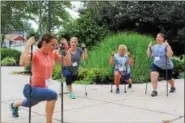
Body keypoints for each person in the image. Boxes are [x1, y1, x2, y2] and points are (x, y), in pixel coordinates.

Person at [10, 33, 71, 123]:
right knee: (52, 95)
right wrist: (28, 45)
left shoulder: (52, 54)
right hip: (31, 89)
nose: (54, 47)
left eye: (55, 45)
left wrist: (67, 48)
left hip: (43, 89)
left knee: (27, 104)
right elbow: (23, 63)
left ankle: (14, 105)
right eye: (52, 45)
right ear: (44, 43)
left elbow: (67, 62)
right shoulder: (35, 53)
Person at [147, 33, 176, 97]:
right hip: (156, 65)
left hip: (167, 66)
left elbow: (169, 55)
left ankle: (173, 86)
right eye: (157, 37)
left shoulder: (166, 46)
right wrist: (149, 48)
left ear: (163, 39)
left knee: (169, 79)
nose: (158, 38)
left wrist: (168, 46)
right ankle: (154, 90)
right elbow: (149, 56)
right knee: (153, 74)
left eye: (159, 37)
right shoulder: (154, 47)